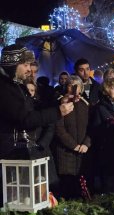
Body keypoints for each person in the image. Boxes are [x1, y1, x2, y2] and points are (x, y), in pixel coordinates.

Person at [0, 44, 73, 205]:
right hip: (9, 155)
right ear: (13, 65)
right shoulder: (4, 88)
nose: (28, 69)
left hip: (20, 154)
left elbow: (33, 110)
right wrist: (57, 112)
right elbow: (25, 119)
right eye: (25, 65)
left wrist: (59, 103)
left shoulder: (16, 86)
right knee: (14, 201)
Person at [55, 76, 91, 199]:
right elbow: (59, 129)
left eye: (77, 86)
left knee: (83, 190)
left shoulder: (85, 105)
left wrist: (86, 143)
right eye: (71, 85)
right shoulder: (60, 103)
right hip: (65, 153)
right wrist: (73, 145)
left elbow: (91, 127)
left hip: (83, 153)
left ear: (81, 88)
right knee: (67, 189)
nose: (75, 89)